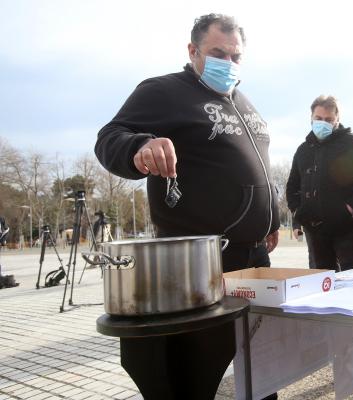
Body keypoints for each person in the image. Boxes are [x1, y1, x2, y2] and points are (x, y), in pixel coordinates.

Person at [95, 14, 279, 399]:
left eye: (235, 56)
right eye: (217, 53)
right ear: (193, 51)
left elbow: (257, 166)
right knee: (194, 376)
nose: (227, 63)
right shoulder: (164, 91)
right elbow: (110, 138)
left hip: (256, 259)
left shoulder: (242, 101)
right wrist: (139, 147)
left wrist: (270, 218)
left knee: (262, 370)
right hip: (202, 265)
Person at [286, 95, 353, 271]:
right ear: (311, 118)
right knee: (321, 283)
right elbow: (292, 186)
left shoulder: (351, 143)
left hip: (346, 228)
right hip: (315, 232)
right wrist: (298, 211)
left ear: (337, 120)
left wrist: (350, 208)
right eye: (318, 118)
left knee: (352, 280)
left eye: (329, 119)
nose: (323, 123)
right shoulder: (303, 150)